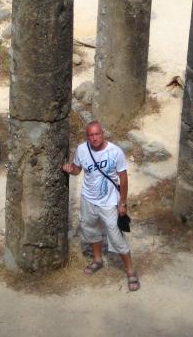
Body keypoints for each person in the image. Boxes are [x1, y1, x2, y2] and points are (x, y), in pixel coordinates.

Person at [62, 121, 140, 292]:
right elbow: (77, 170)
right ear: (87, 137)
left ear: (102, 134)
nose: (94, 138)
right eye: (91, 135)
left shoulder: (115, 152)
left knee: (115, 235)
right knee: (91, 229)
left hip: (109, 202)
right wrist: (69, 169)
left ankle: (130, 270)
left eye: (97, 134)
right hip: (88, 199)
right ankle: (97, 260)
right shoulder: (82, 149)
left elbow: (123, 178)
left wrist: (123, 202)